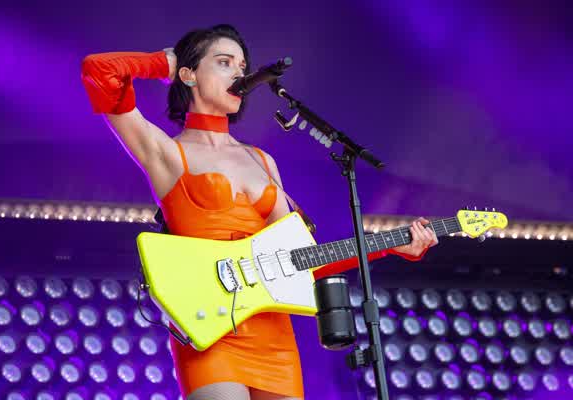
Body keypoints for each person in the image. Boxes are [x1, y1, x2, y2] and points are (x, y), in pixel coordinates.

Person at [81, 23, 438, 400]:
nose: (239, 74)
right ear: (189, 75)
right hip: (210, 330)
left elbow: (303, 260)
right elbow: (98, 70)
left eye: (242, 66)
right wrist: (163, 63)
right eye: (224, 63)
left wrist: (390, 246)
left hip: (273, 335)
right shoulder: (167, 153)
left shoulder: (262, 161)